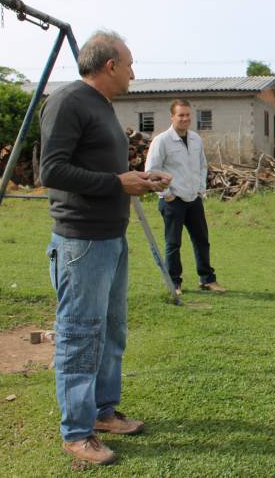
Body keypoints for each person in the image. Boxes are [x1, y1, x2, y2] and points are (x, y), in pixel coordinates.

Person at [40, 30, 172, 465]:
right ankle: (76, 433)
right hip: (80, 242)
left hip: (111, 239)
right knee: (80, 336)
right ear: (110, 65)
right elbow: (53, 171)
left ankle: (102, 412)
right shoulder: (68, 102)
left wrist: (138, 180)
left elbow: (99, 170)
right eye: (130, 64)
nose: (134, 72)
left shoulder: (102, 107)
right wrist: (117, 183)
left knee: (111, 332)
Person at [145, 99, 225, 296]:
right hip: (173, 200)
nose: (185, 118)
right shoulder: (161, 140)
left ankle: (207, 279)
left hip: (193, 198)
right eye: (181, 115)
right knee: (173, 243)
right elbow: (152, 171)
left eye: (188, 115)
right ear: (172, 116)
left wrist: (200, 190)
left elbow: (202, 165)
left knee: (202, 240)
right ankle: (174, 283)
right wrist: (167, 195)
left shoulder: (196, 139)